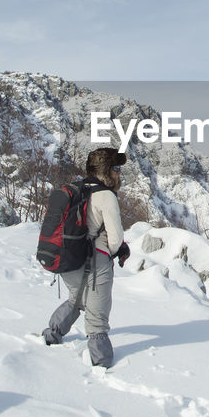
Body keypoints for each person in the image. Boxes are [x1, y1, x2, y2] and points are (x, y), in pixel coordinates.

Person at [41, 147, 131, 367]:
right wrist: (112, 252)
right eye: (116, 168)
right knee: (97, 314)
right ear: (106, 170)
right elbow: (116, 238)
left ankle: (52, 334)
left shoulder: (78, 189)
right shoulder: (106, 196)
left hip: (70, 257)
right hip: (96, 260)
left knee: (76, 299)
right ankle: (102, 364)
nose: (119, 173)